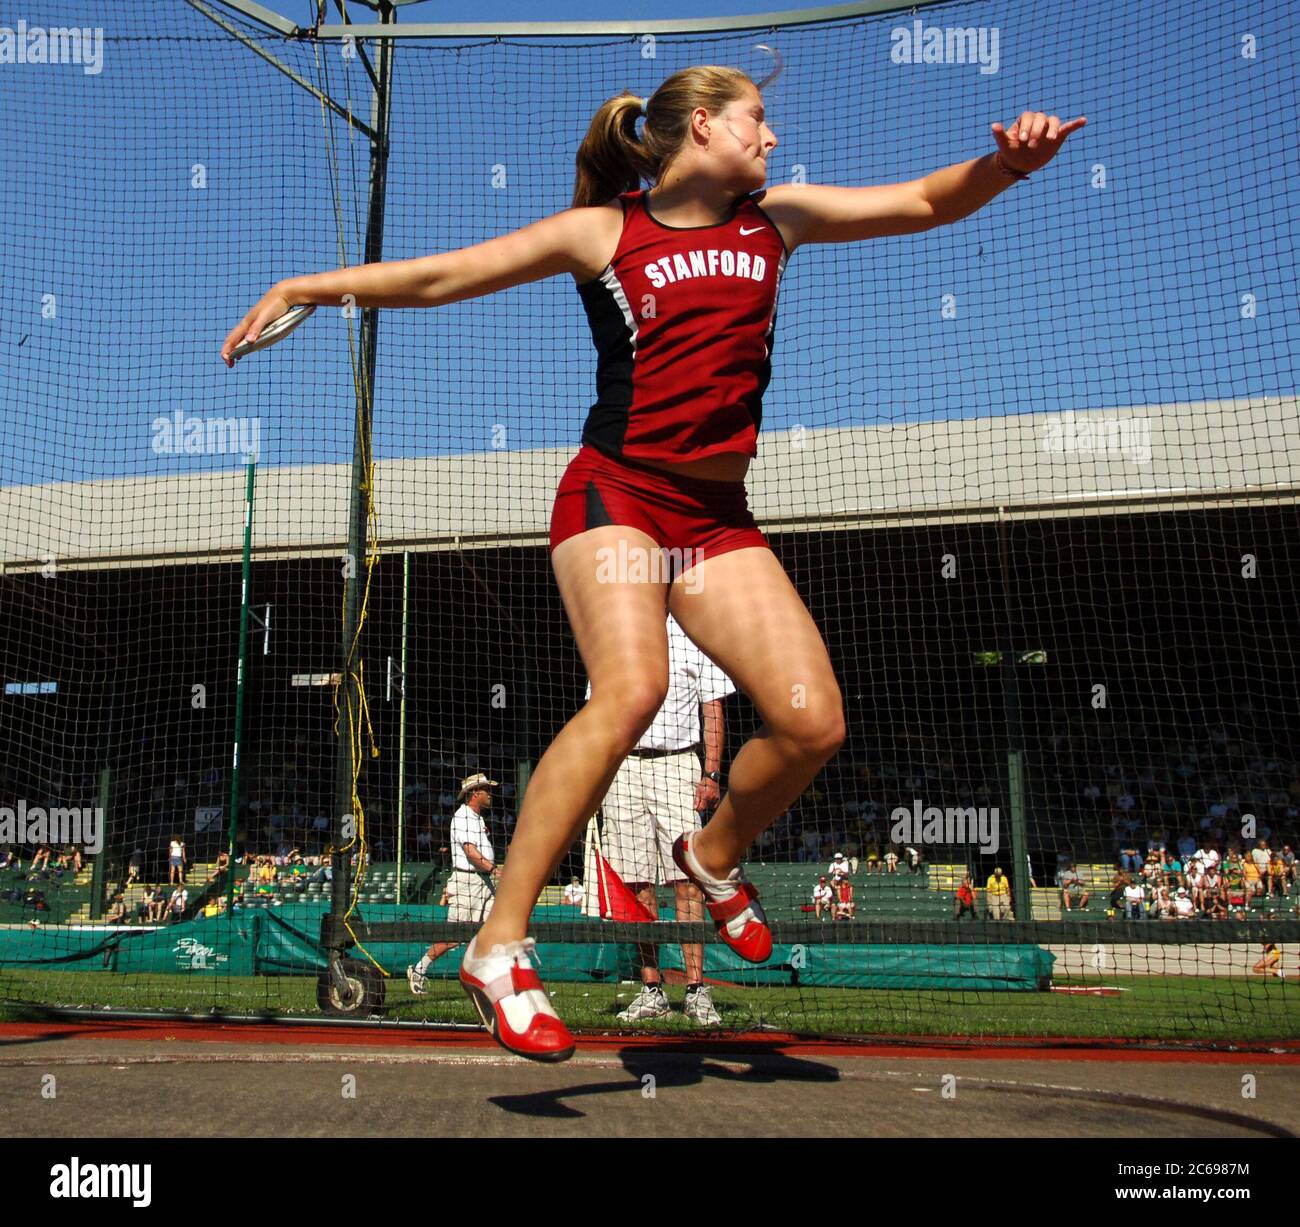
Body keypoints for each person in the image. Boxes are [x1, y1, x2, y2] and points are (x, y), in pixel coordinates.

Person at [224, 66, 1083, 1061]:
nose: (771, 140)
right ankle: (500, 947)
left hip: (715, 519)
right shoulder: (604, 232)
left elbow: (928, 201)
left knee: (813, 721)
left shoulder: (779, 221)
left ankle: (713, 859)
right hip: (617, 497)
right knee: (632, 687)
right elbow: (442, 274)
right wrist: (303, 284)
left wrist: (1008, 165)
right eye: (759, 121)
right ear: (704, 125)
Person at [603, 613, 732, 1026]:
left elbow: (712, 709)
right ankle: (651, 988)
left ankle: (696, 990)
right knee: (636, 883)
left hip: (678, 763)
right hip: (623, 766)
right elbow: (600, 709)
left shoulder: (698, 630)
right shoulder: (616, 630)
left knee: (688, 881)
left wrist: (711, 773)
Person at [406, 774, 499, 996]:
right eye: (486, 790)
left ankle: (484, 979)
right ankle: (419, 969)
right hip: (468, 881)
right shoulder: (463, 817)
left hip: (483, 881)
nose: (490, 794)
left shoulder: (477, 818)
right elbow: (470, 852)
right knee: (454, 936)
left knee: (490, 932)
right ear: (475, 793)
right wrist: (493, 869)